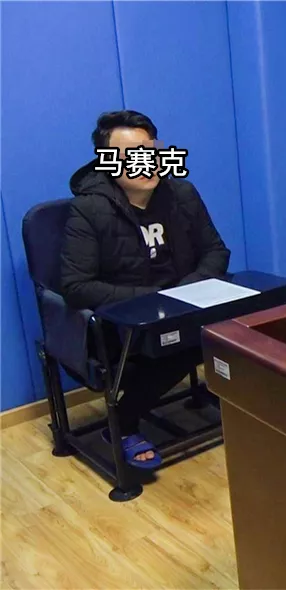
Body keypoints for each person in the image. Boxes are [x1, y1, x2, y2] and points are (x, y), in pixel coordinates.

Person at [60, 110, 230, 468]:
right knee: (182, 341)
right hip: (127, 320)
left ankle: (239, 401)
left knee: (246, 317)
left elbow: (216, 251)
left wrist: (188, 291)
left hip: (184, 303)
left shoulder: (181, 193)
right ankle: (122, 425)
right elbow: (76, 286)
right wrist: (156, 302)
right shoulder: (88, 209)